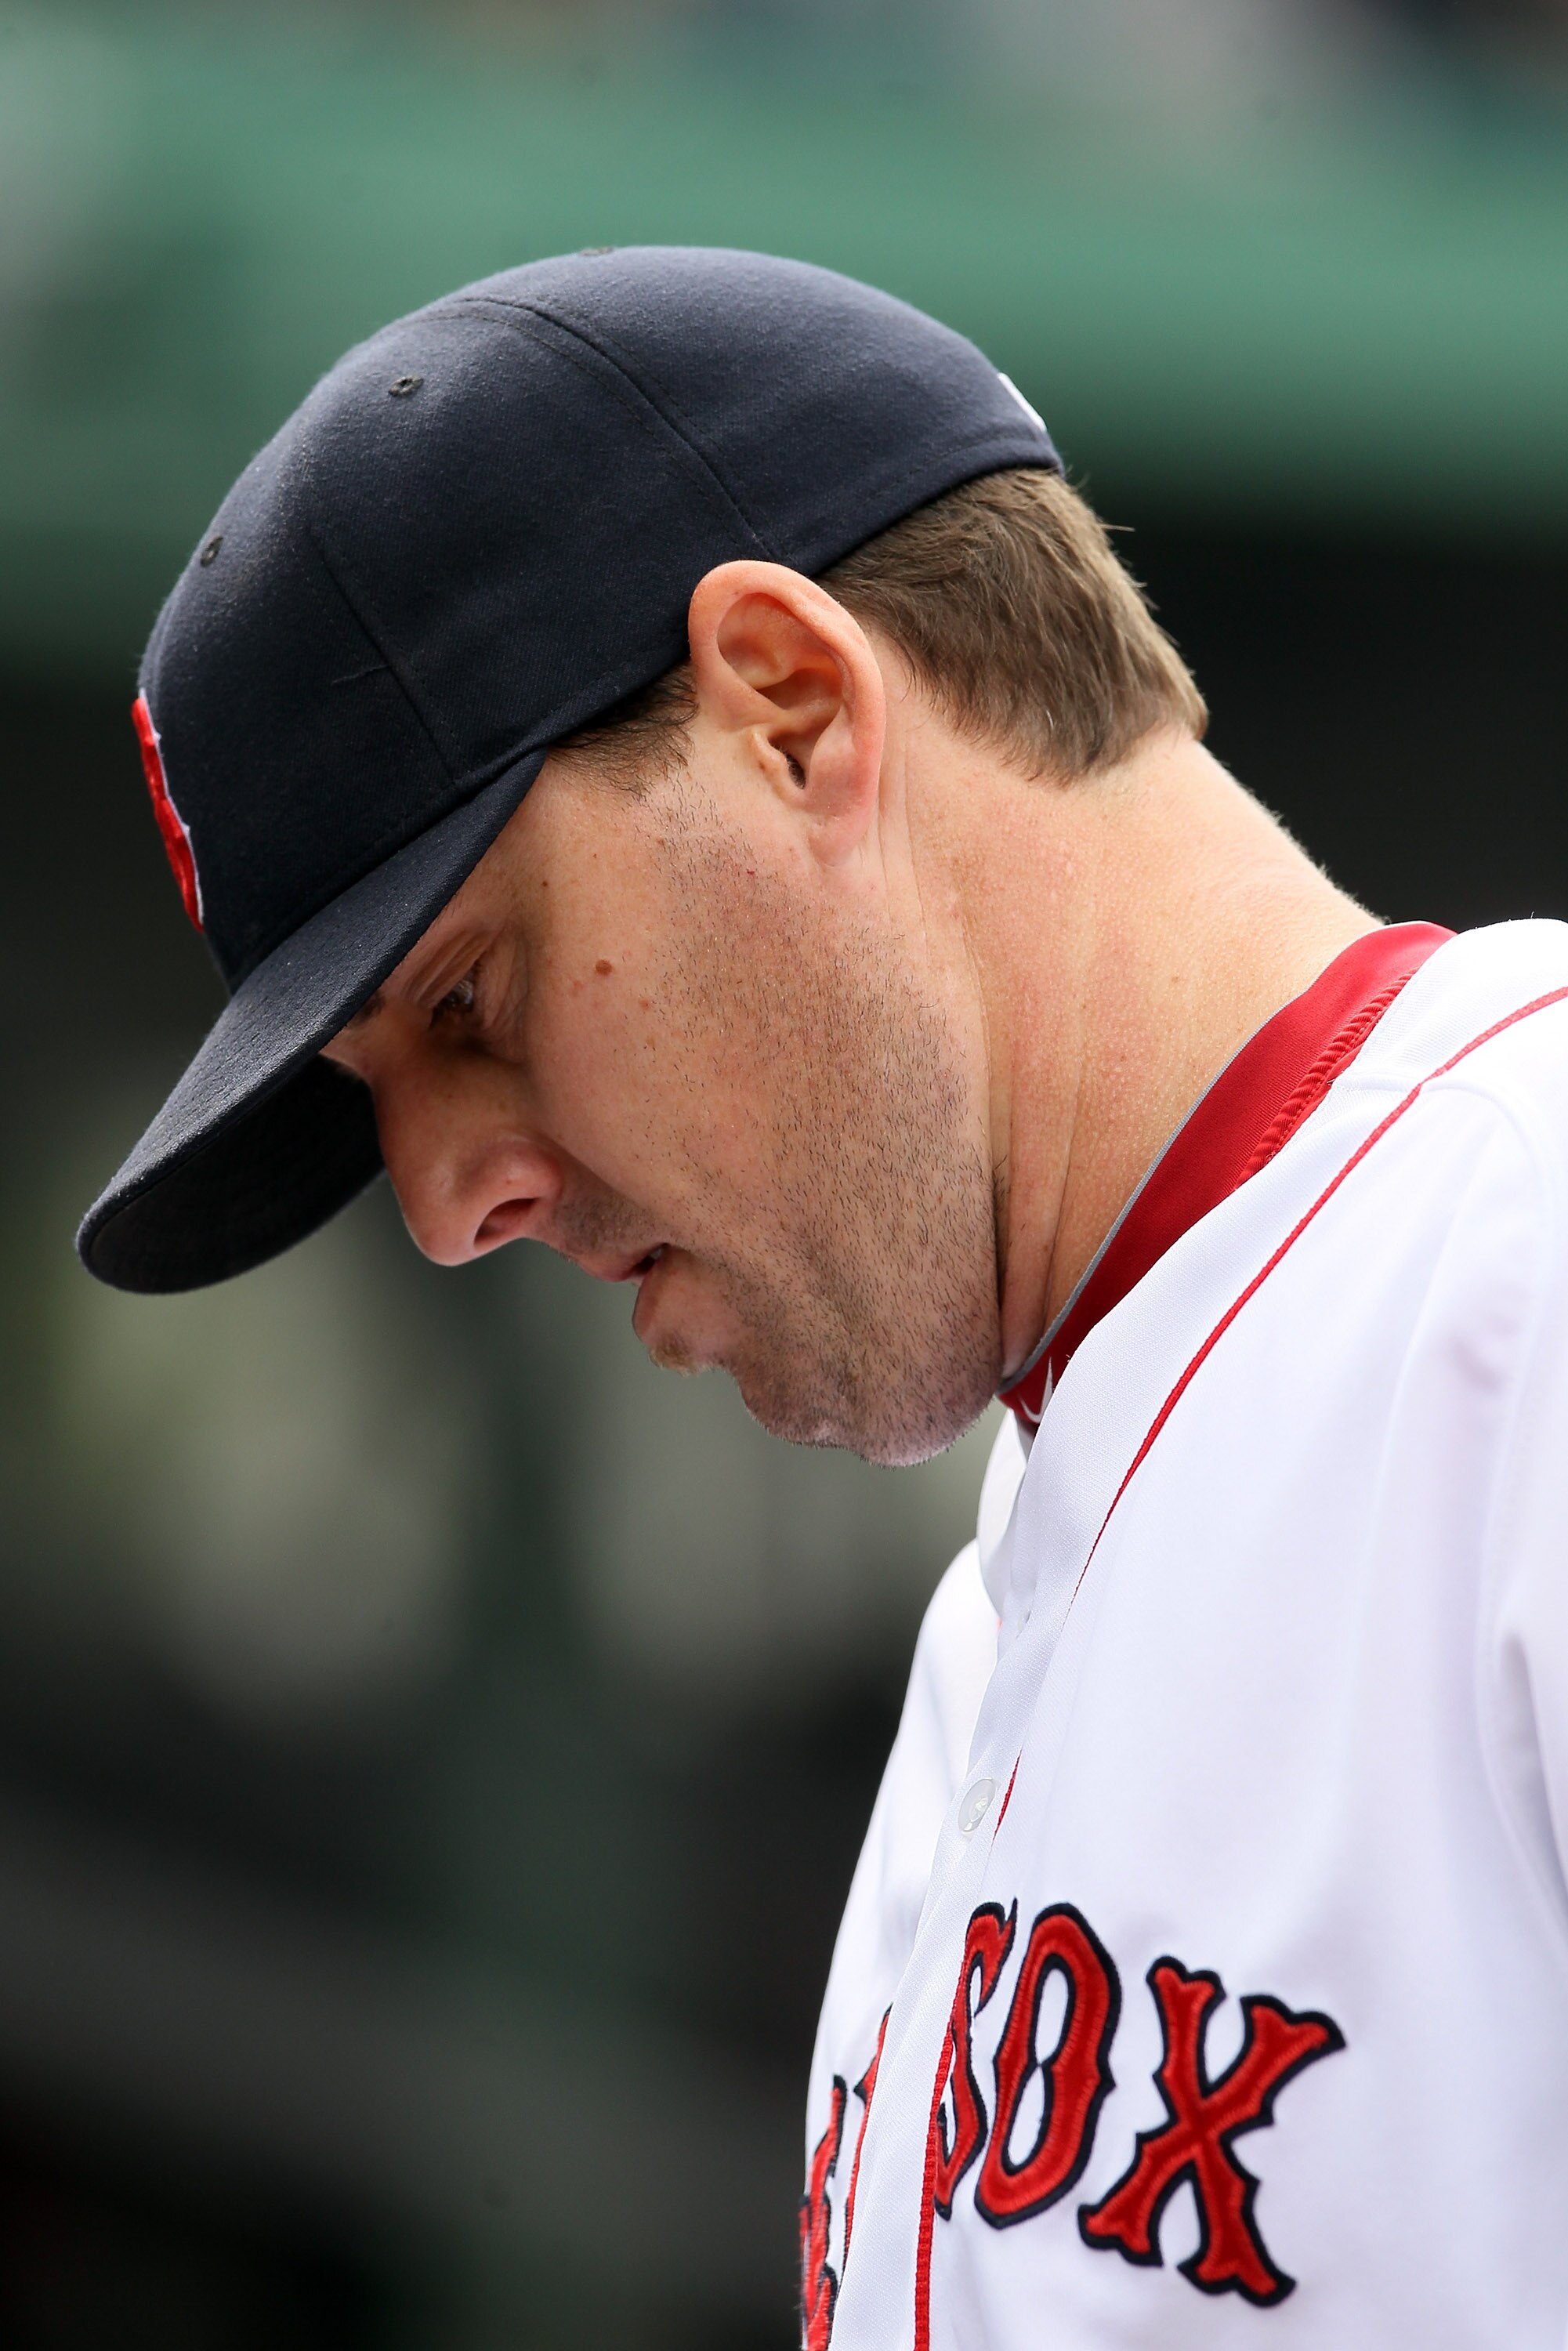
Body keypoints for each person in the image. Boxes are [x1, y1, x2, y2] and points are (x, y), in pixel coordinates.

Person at [80, 249, 1568, 2349]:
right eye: (379, 1104)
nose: (443, 1206)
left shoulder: (1524, 1267)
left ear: (787, 705)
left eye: (474, 1003)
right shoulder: (1015, 1597)